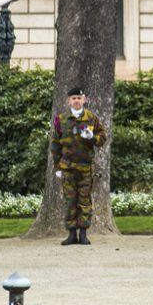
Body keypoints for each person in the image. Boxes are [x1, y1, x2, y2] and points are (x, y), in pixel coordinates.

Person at [51, 86, 106, 246]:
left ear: (84, 100)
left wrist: (92, 138)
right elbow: (55, 145)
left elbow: (102, 138)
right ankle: (71, 234)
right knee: (70, 201)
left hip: (84, 168)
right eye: (73, 98)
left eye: (79, 98)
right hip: (67, 168)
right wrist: (57, 168)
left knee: (84, 201)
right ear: (68, 101)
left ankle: (83, 234)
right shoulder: (60, 119)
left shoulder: (91, 118)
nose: (76, 101)